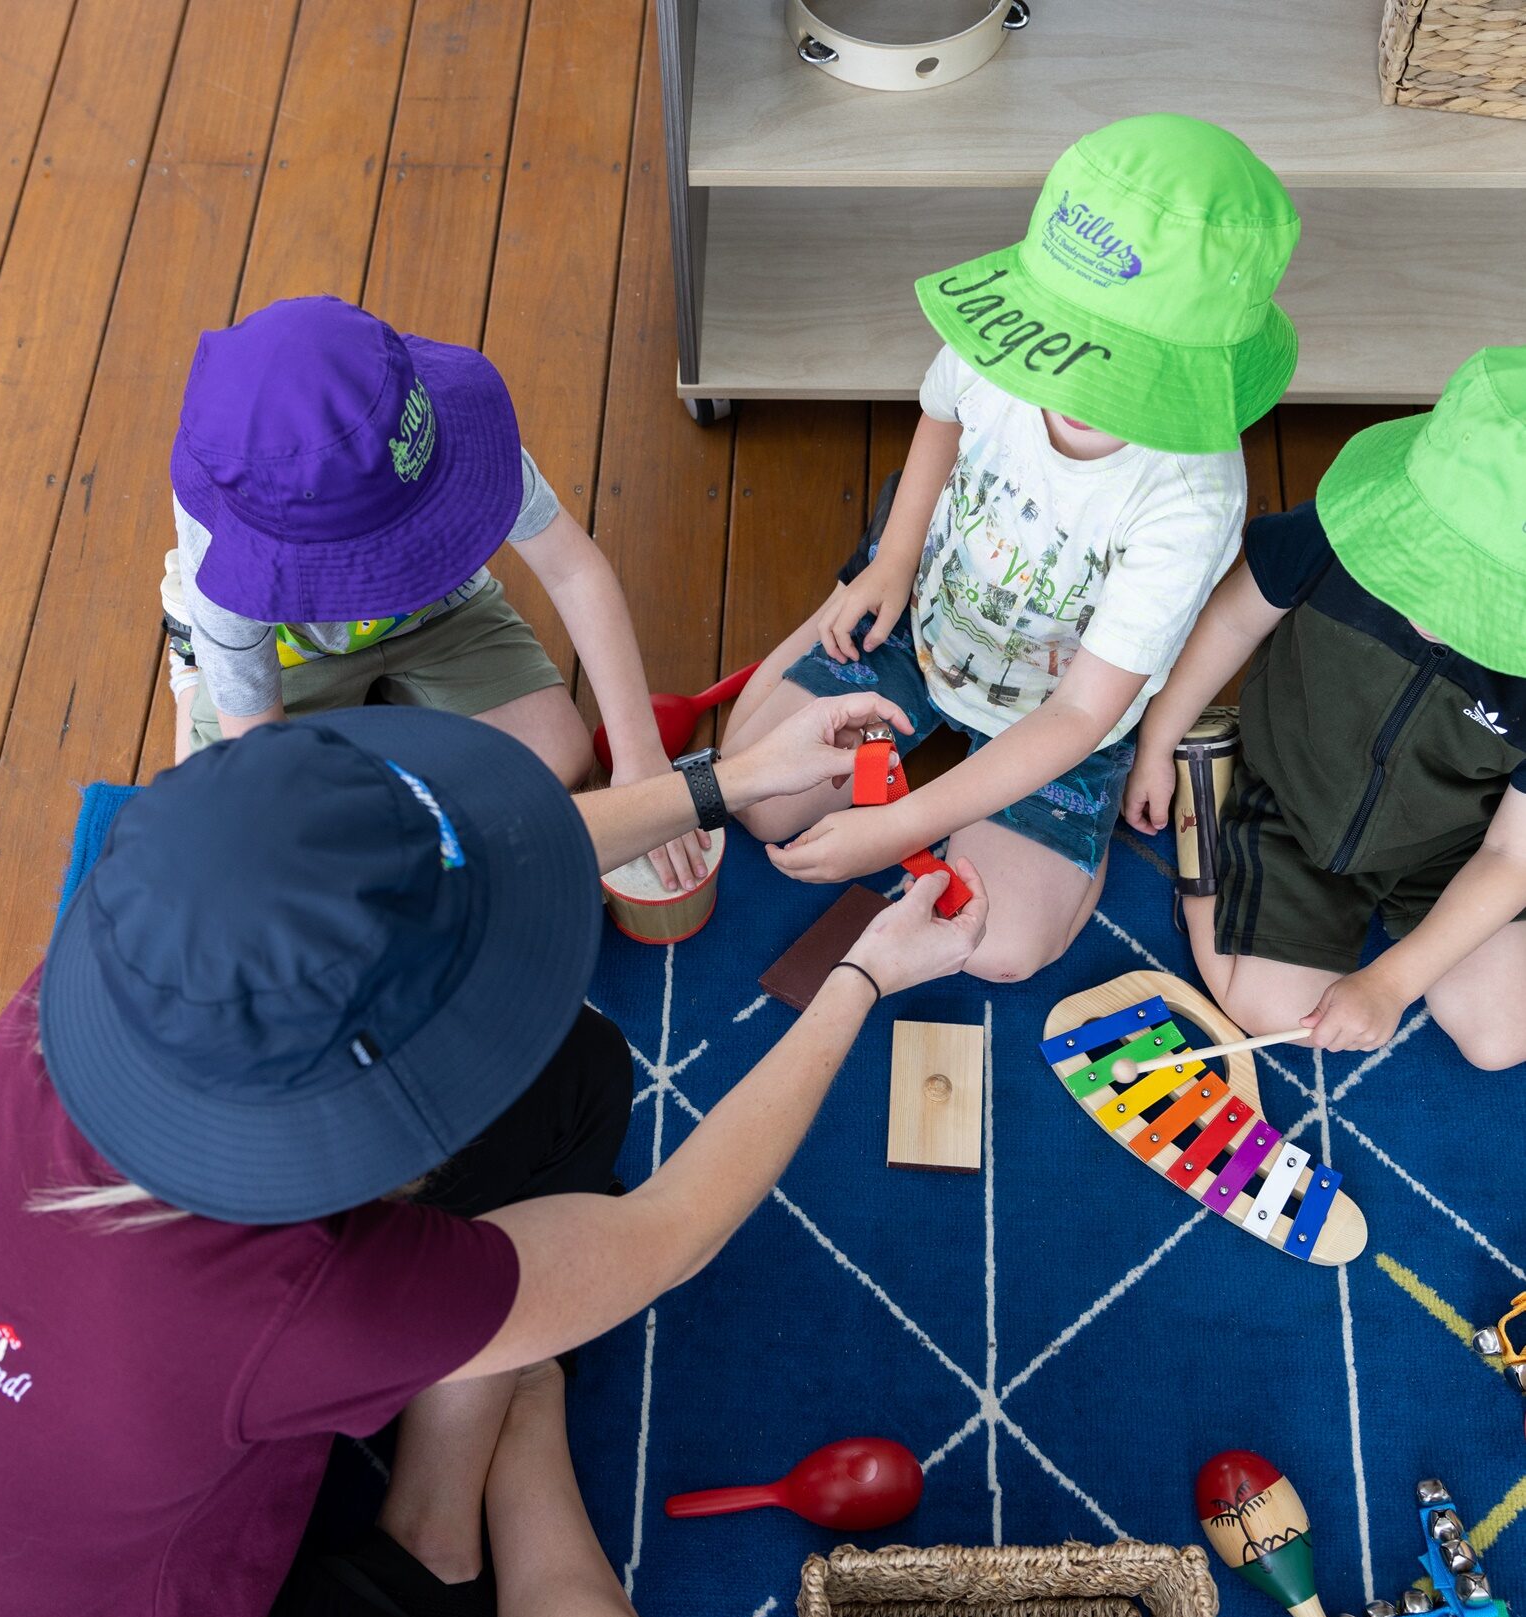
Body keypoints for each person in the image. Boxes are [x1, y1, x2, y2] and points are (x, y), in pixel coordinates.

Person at [0, 692, 987, 1617]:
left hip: (52, 1491)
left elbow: (455, 867)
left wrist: (729, 780)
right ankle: (437, 1537)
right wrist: (863, 977)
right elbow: (671, 1231)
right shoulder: (280, 1298)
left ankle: (447, 1466)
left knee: (571, 1079)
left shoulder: (129, 963)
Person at [723, 113, 1301, 982]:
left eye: (1123, 372)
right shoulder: (995, 344)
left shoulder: (1191, 497)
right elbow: (940, 421)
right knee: (760, 800)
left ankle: (1039, 822)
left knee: (996, 948)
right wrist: (893, 562)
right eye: (1068, 342)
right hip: (923, 630)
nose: (1078, 384)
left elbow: (1078, 716)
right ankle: (847, 613)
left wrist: (902, 825)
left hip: (1068, 716)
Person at [159, 293, 708, 892]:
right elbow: (262, 754)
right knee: (238, 832)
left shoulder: (444, 434)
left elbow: (574, 571)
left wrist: (640, 760)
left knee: (557, 755)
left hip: (436, 618)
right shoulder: (227, 561)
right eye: (378, 551)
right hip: (287, 656)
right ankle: (193, 672)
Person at [1122, 345, 1526, 1070]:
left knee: (1501, 1038)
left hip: (1453, 848)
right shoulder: (1337, 532)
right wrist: (1159, 738)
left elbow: (1509, 854)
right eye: (1427, 557)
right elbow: (1234, 621)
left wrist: (1390, 983)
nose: (1433, 605)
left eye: (1475, 590)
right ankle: (1205, 835)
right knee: (1276, 1014)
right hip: (1297, 806)